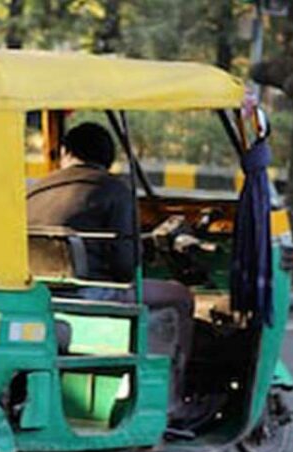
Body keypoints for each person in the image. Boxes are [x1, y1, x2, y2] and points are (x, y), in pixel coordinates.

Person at [26, 121, 194, 332]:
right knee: (180, 295)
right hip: (89, 293)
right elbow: (125, 268)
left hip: (36, 291)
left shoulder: (34, 190)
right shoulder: (115, 190)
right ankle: (174, 356)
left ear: (64, 152)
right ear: (109, 158)